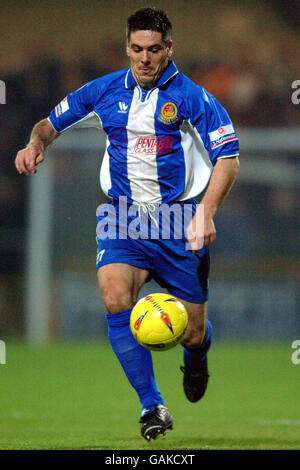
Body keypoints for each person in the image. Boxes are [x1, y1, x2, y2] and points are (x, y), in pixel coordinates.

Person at [15, 8, 239, 441]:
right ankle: (152, 405)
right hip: (124, 218)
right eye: (136, 49)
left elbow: (227, 159)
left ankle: (198, 357)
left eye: (154, 50)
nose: (144, 59)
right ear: (127, 48)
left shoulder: (192, 97)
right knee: (115, 296)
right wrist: (34, 143)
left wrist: (206, 212)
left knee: (190, 333)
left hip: (179, 222)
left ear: (168, 49)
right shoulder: (103, 92)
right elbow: (49, 124)